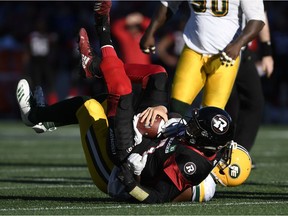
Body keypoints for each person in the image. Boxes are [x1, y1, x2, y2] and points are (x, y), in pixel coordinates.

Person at [16, 0, 236, 204]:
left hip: (124, 158)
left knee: (108, 97)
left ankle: (102, 31)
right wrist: (163, 111)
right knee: (157, 75)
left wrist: (130, 183)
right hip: (145, 140)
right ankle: (91, 67)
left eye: (196, 126)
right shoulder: (201, 145)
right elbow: (176, 136)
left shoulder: (192, 166)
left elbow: (156, 197)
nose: (191, 124)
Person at [140, 0, 266, 117]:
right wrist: (150, 32)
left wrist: (238, 44)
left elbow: (257, 19)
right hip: (193, 48)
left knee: (213, 113)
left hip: (225, 56)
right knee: (176, 106)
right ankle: (171, 140)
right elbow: (168, 4)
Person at [225, 11, 274, 156]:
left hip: (241, 52)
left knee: (254, 102)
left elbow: (260, 15)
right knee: (227, 105)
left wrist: (267, 51)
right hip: (217, 50)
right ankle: (218, 153)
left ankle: (238, 153)